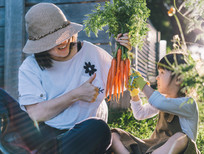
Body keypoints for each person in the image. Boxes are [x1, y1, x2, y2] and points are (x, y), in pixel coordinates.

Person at [0, 2, 131, 153]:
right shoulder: (30, 66)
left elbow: (123, 83)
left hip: (78, 135)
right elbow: (36, 114)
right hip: (41, 134)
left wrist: (125, 54)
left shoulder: (92, 53)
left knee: (99, 128)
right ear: (40, 46)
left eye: (64, 35)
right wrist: (75, 95)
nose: (62, 42)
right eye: (52, 40)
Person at [110, 52, 200, 154]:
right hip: (155, 148)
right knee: (115, 135)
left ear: (178, 79)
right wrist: (134, 93)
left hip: (180, 151)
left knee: (181, 138)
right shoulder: (163, 100)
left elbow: (159, 102)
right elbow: (140, 113)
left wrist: (141, 83)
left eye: (162, 73)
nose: (157, 77)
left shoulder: (188, 103)